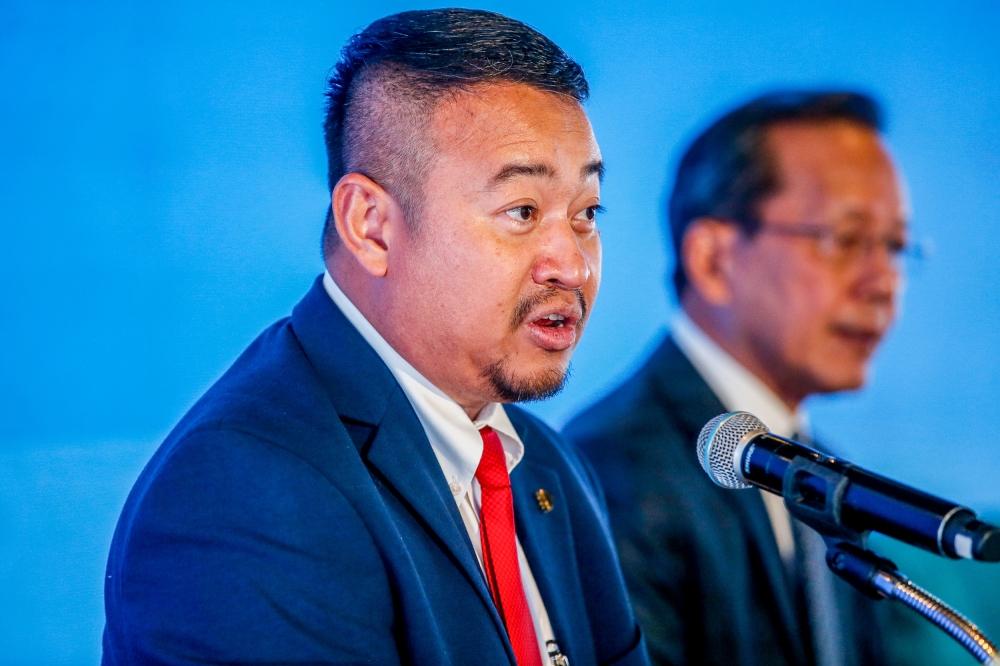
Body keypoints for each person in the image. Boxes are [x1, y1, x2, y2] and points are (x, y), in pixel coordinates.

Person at [102, 10, 647, 666]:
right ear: (371, 225)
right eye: (522, 212)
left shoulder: (546, 465)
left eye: (586, 214)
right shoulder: (247, 489)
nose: (573, 263)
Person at [565, 91, 907, 666]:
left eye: (895, 246)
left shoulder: (824, 471)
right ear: (713, 260)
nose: (883, 282)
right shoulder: (612, 470)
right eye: (846, 240)